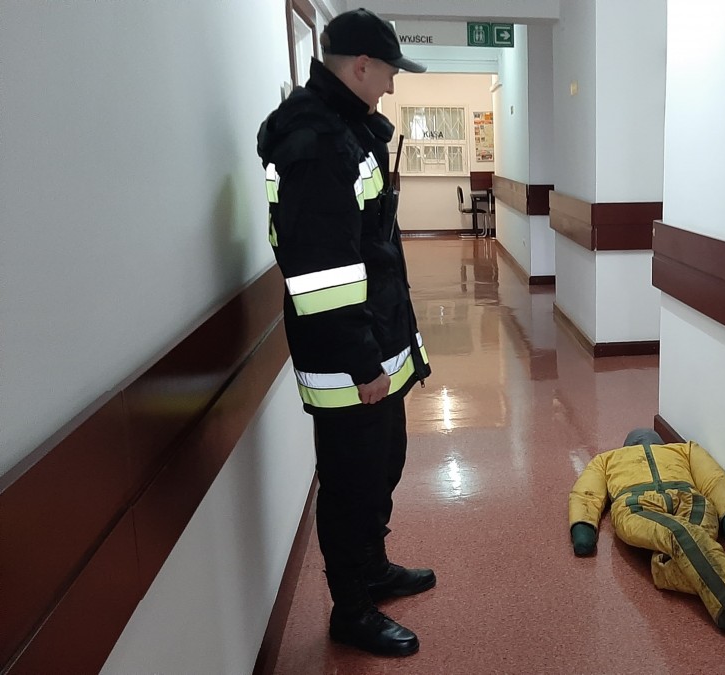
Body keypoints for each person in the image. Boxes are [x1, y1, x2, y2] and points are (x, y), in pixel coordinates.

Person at [256, 8, 432, 657]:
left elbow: (372, 248)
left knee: (383, 462)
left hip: (376, 338)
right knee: (351, 480)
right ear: (361, 66)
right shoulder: (315, 142)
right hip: (347, 359)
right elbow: (321, 271)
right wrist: (362, 362)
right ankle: (351, 608)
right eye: (388, 72)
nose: (391, 84)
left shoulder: (349, 130)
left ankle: (373, 568)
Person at [568, 429, 725, 653]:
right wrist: (583, 524)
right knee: (678, 533)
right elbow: (587, 492)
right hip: (635, 505)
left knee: (667, 560)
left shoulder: (685, 450)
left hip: (689, 499)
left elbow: (713, 478)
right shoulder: (607, 459)